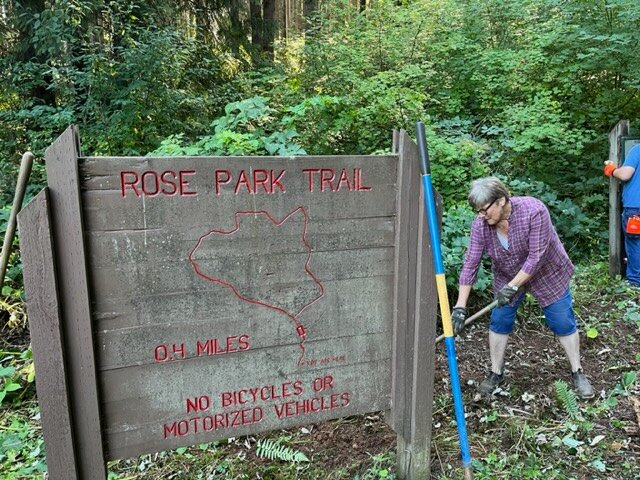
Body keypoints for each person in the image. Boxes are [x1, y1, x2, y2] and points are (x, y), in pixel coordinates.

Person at [450, 177, 594, 399]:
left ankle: (577, 371)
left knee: (562, 321)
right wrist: (460, 306)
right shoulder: (481, 225)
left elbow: (536, 258)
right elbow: (471, 262)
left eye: (484, 210)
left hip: (547, 272)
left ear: (501, 200)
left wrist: (512, 286)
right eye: (478, 211)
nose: (481, 215)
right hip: (507, 274)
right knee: (500, 320)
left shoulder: (534, 211)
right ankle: (496, 372)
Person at [604, 145, 640, 287]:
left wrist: (612, 170)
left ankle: (635, 283)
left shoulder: (637, 149)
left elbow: (625, 174)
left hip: (636, 208)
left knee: (635, 244)